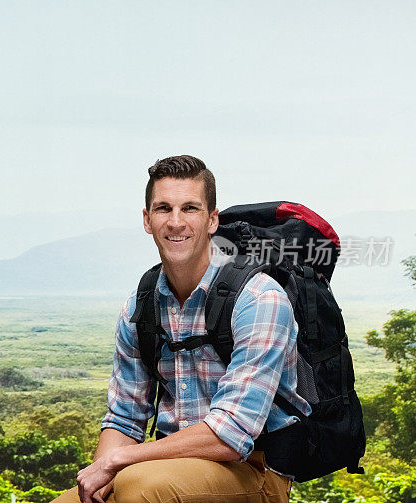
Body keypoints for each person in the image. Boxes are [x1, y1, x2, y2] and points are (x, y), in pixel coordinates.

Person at [51, 155, 310, 503]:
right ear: (147, 220)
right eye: (163, 209)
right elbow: (125, 417)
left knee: (141, 488)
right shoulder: (140, 306)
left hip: (254, 470)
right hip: (166, 463)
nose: (175, 222)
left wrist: (120, 461)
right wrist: (99, 478)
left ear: (211, 219)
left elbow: (231, 433)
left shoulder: (258, 299)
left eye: (190, 208)